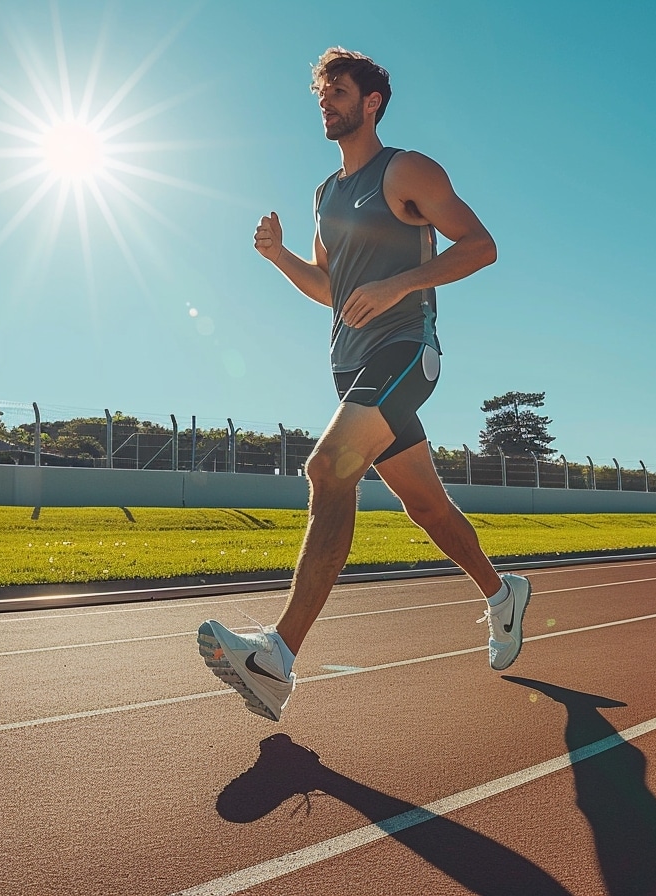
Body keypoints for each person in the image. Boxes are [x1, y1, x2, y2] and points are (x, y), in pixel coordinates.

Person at [198, 48, 530, 721]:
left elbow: (481, 245)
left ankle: (275, 660)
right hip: (351, 367)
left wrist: (400, 283)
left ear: (372, 101)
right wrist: (278, 255)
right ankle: (502, 595)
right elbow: (332, 289)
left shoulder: (405, 170)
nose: (327, 102)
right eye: (321, 94)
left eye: (339, 91)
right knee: (428, 509)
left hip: (408, 351)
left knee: (327, 471)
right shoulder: (324, 195)